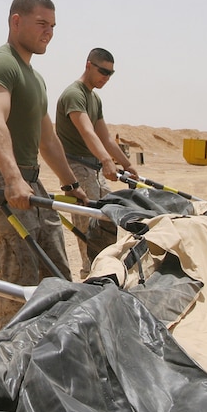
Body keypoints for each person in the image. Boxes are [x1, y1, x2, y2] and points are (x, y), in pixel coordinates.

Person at [0, 0, 86, 330]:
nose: (48, 32)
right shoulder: (0, 65)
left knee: (57, 280)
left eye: (52, 26)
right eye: (41, 24)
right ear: (16, 21)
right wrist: (12, 178)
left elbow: (47, 139)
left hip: (30, 183)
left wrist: (70, 184)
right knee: (16, 290)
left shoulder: (35, 78)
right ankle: (12, 364)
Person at [55, 48, 138, 277]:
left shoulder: (94, 98)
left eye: (111, 73)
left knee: (108, 220)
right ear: (89, 65)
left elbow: (105, 137)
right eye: (103, 71)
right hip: (77, 168)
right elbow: (87, 131)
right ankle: (90, 274)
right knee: (88, 226)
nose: (106, 77)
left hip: (95, 168)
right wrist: (105, 160)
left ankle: (105, 271)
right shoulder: (74, 94)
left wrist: (126, 164)